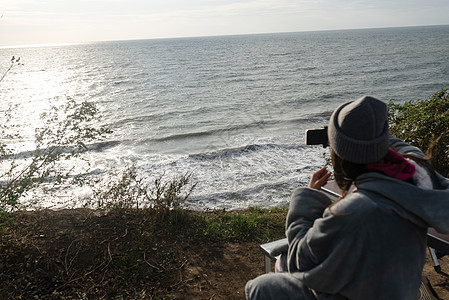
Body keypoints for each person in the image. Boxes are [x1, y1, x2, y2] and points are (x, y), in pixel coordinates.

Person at [245, 96, 449, 299]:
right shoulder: (419, 180)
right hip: (399, 289)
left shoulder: (354, 210)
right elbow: (406, 149)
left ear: (339, 155)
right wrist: (370, 134)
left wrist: (308, 195)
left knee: (260, 286)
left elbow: (301, 260)